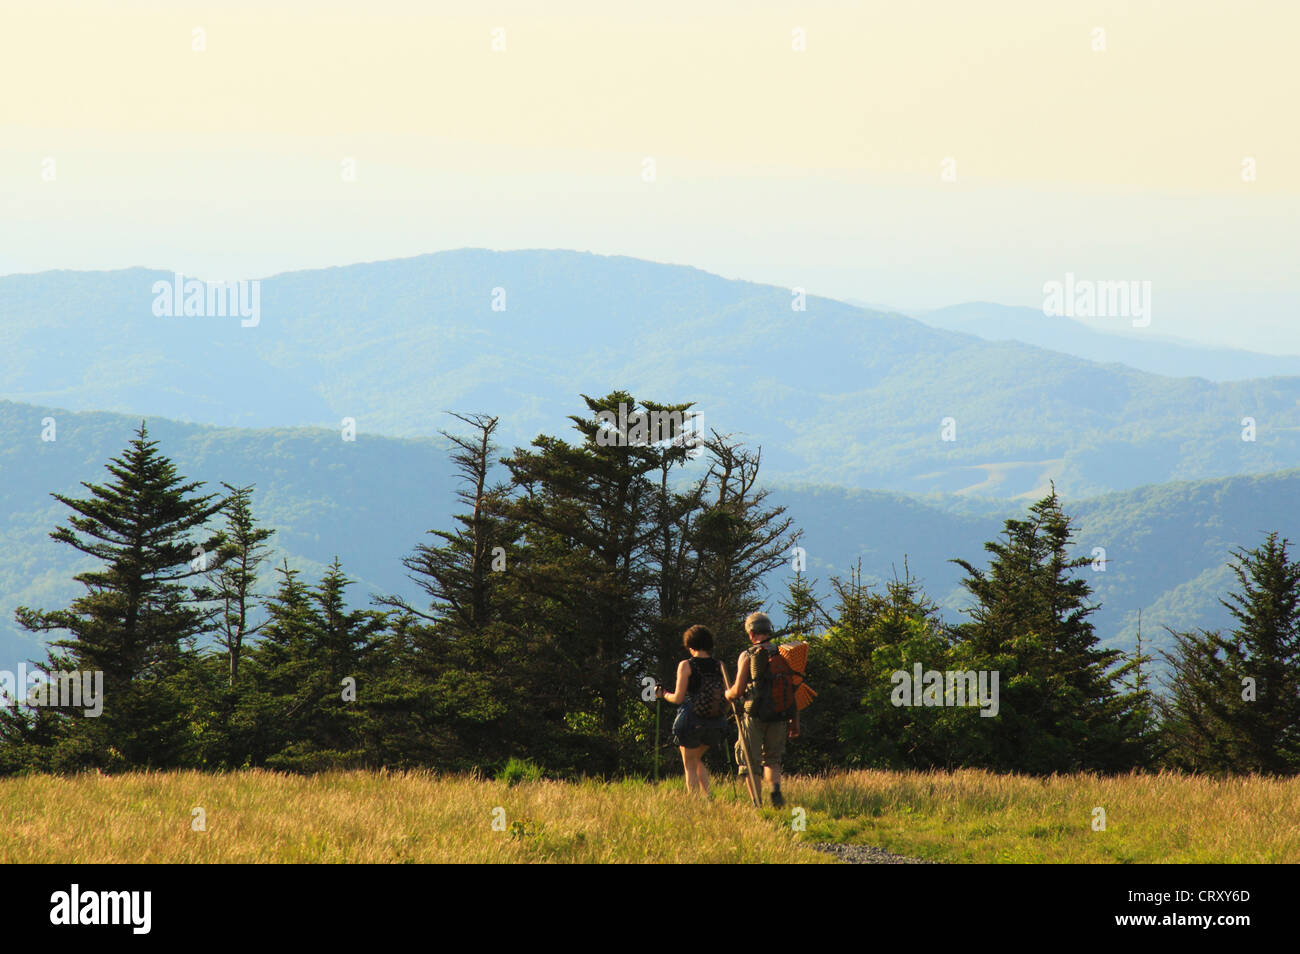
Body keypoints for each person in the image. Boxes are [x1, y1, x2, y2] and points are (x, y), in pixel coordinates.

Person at [725, 611, 799, 807]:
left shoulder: (748, 655)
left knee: (749, 762)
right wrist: (794, 720)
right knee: (773, 759)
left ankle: (757, 803)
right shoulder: (783, 654)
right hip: (779, 714)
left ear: (751, 633)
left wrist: (727, 694)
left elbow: (739, 689)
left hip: (754, 715)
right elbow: (793, 688)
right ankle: (775, 791)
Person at [656, 624, 728, 797]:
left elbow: (678, 698)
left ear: (690, 645)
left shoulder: (686, 665)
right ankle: (708, 795)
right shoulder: (720, 665)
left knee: (689, 763)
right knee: (696, 759)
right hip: (715, 721)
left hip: (691, 721)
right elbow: (727, 694)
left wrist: (663, 694)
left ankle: (695, 800)